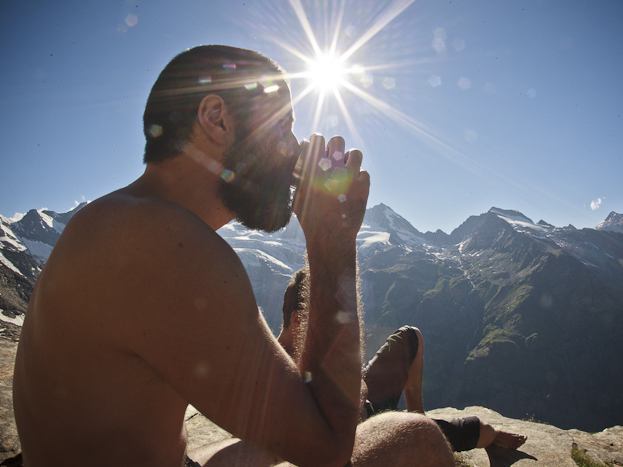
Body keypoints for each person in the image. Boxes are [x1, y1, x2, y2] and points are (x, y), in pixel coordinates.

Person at [12, 45, 455, 467]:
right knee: (419, 436)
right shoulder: (165, 243)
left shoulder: (116, 218)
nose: (295, 148)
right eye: (283, 126)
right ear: (217, 119)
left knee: (255, 446)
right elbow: (329, 449)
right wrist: (332, 241)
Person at [279, 268, 528, 453]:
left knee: (411, 336)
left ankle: (417, 420)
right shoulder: (281, 376)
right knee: (483, 431)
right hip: (368, 430)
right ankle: (422, 434)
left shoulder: (305, 350)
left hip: (363, 400)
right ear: (298, 320)